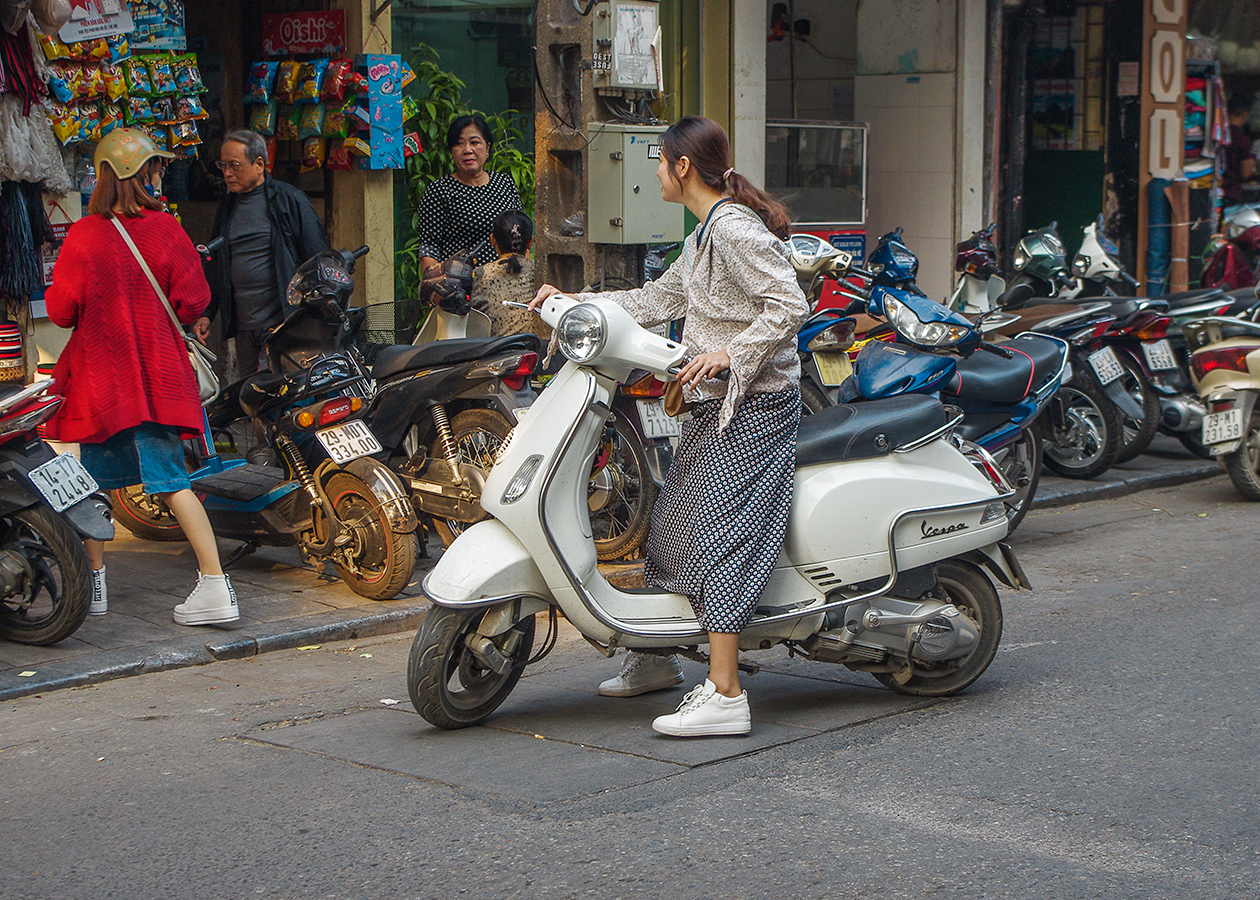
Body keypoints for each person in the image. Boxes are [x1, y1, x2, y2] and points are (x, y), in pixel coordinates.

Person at [530, 115, 809, 737]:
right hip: (710, 403)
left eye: (659, 161)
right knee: (670, 525)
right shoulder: (704, 233)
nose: (654, 170)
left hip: (755, 406)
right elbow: (657, 300)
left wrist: (731, 353)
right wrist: (574, 304)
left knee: (723, 539)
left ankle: (727, 692)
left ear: (683, 167)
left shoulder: (734, 229)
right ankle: (655, 658)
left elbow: (791, 302)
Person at [44, 128, 238, 626]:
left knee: (92, 487)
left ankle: (94, 587)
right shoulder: (167, 229)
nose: (159, 176)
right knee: (173, 482)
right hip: (158, 380)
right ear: (140, 174)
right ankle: (215, 584)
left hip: (103, 385)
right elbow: (194, 300)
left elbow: (61, 312)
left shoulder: (85, 237)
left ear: (103, 178)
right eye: (154, 168)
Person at [198, 129, 329, 378]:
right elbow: (218, 264)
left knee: (275, 394)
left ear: (259, 164)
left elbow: (317, 260)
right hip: (244, 328)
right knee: (252, 396)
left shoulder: (289, 200)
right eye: (223, 165)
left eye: (234, 165)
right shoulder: (227, 207)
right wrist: (207, 313)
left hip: (281, 324)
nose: (226, 173)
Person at [414, 114, 522, 279]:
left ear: (487, 147)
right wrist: (436, 290)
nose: (467, 150)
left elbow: (520, 236)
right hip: (460, 288)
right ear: (451, 150)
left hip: (506, 283)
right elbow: (429, 249)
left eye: (475, 142)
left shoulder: (504, 184)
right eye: (459, 143)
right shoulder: (439, 190)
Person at [472, 210, 551, 340]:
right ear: (530, 242)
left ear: (492, 239)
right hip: (536, 347)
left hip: (496, 350)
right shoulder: (540, 271)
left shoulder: (482, 273)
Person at [1222, 95, 1256, 207]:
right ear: (1244, 115)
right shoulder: (1240, 139)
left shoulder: (1218, 135)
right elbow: (1246, 173)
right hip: (1231, 192)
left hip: (1214, 187)